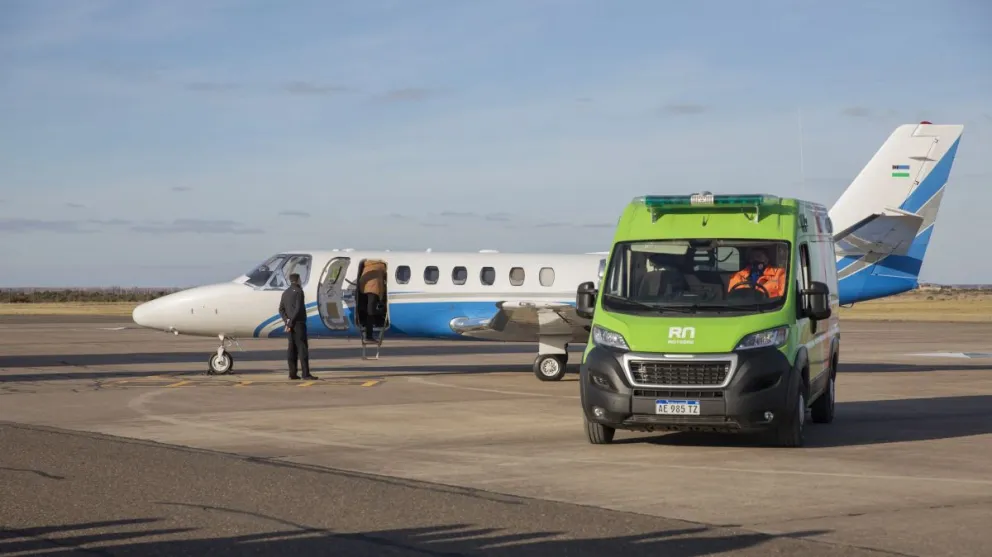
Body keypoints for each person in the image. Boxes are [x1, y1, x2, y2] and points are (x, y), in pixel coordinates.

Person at [278, 273, 315, 380]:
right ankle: (305, 374)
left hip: (290, 324)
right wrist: (291, 322)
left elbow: (281, 309)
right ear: (298, 280)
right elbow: (298, 309)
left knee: (291, 348)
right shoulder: (299, 291)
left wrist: (287, 321)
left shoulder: (285, 292)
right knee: (302, 348)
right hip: (298, 323)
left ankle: (292, 373)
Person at [357, 260, 386, 342]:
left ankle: (363, 324)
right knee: (371, 313)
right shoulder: (380, 267)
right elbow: (380, 283)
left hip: (363, 290)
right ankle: (369, 336)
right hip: (373, 291)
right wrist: (380, 297)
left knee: (366, 310)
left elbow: (362, 280)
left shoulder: (367, 266)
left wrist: (361, 290)